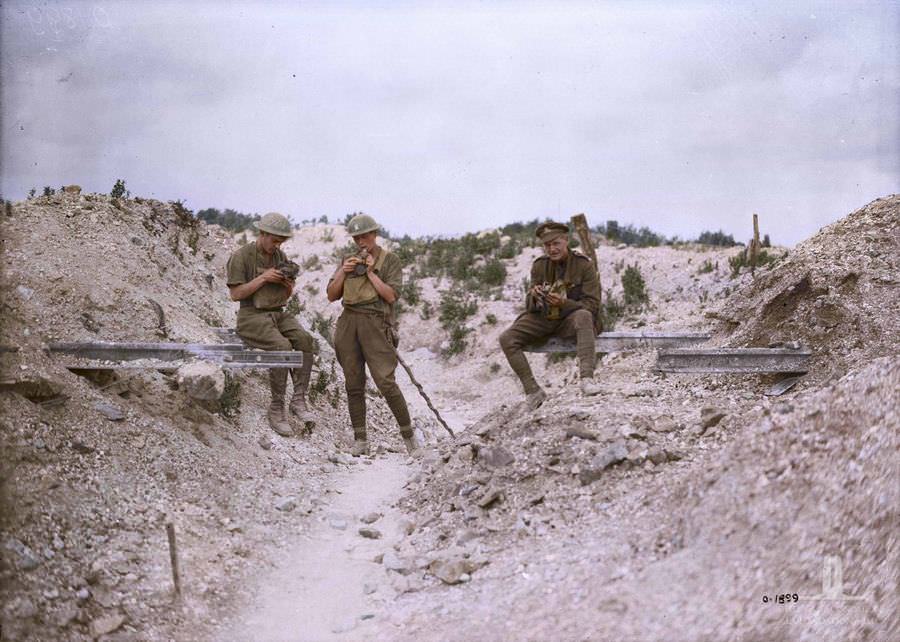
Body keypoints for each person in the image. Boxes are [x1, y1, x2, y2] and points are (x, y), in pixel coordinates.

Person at [326, 213, 420, 457]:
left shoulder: (390, 260)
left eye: (365, 236)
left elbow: (391, 296)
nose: (361, 241)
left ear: (375, 234)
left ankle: (410, 439)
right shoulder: (347, 260)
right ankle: (360, 440)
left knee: (386, 382)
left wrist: (369, 272)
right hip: (349, 322)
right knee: (353, 383)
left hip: (376, 323)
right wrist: (344, 272)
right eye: (356, 237)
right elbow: (331, 295)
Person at [226, 212, 316, 436]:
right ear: (263, 233)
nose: (277, 246)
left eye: (281, 242)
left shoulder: (280, 256)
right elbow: (235, 294)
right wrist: (264, 278)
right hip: (251, 316)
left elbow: (285, 295)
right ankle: (277, 407)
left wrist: (287, 283)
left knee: (305, 339)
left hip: (277, 313)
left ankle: (298, 400)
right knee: (282, 347)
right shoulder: (241, 256)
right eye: (274, 240)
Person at [499, 221, 603, 409]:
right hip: (545, 318)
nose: (552, 249)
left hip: (570, 320)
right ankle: (533, 391)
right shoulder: (539, 266)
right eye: (547, 245)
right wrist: (535, 296)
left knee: (584, 316)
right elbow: (529, 306)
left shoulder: (583, 265)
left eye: (556, 243)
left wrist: (564, 303)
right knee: (507, 338)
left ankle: (587, 379)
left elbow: (593, 305)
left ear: (566, 240)